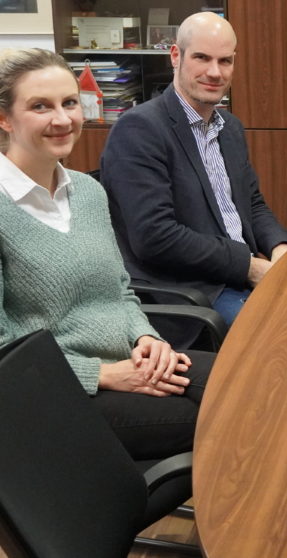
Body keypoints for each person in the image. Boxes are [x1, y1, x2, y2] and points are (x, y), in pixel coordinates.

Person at [0, 48, 212, 459]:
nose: (62, 119)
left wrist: (146, 336)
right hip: (49, 392)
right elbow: (3, 348)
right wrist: (103, 374)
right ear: (4, 118)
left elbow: (120, 291)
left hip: (129, 361)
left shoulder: (88, 192)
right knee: (234, 415)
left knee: (254, 384)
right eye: (40, 106)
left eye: (69, 103)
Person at [100, 12, 287, 326]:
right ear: (175, 56)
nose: (214, 72)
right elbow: (156, 237)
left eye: (225, 61)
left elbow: (252, 202)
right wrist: (249, 267)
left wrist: (279, 247)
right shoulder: (139, 129)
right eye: (202, 58)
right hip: (193, 292)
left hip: (240, 273)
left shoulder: (229, 128)